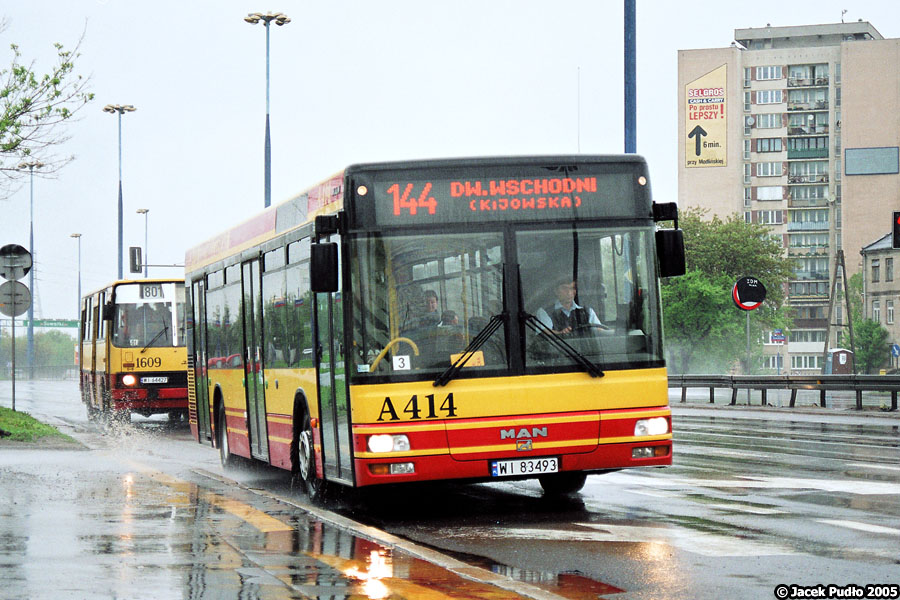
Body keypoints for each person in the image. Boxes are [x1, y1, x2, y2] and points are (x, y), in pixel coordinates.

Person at [535, 278, 608, 336]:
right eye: (564, 288)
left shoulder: (588, 311)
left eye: (572, 288)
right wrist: (560, 334)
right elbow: (544, 333)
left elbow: (599, 331)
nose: (569, 293)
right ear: (556, 291)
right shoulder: (545, 312)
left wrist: (614, 333)